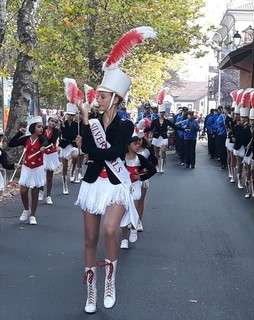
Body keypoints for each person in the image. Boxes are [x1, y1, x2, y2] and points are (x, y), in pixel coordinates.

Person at [74, 25, 157, 314]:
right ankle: (91, 291)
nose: (96, 98)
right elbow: (87, 150)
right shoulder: (91, 121)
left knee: (111, 230)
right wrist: (86, 121)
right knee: (89, 238)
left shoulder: (125, 126)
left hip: (115, 184)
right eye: (97, 95)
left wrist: (90, 137)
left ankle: (110, 282)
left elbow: (108, 152)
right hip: (92, 183)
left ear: (116, 99)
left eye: (102, 95)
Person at [8, 116, 49, 225]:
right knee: (23, 191)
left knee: (35, 193)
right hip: (27, 167)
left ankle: (33, 215)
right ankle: (26, 209)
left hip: (38, 168)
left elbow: (45, 142)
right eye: (38, 127)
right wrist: (19, 133)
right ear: (32, 127)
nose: (41, 129)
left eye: (42, 127)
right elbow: (11, 144)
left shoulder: (41, 139)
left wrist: (43, 147)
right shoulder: (26, 139)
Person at [120, 134, 157, 249]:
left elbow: (153, 169)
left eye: (138, 144)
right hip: (124, 187)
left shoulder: (139, 158)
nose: (137, 146)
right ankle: (124, 239)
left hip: (135, 186)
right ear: (128, 145)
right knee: (124, 211)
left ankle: (134, 226)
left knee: (134, 208)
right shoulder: (121, 157)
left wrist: (141, 177)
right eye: (135, 144)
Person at [145, 96, 184, 173]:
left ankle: (162, 167)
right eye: (160, 113)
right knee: (156, 153)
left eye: (163, 113)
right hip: (156, 137)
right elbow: (151, 128)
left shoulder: (167, 121)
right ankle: (157, 166)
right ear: (158, 113)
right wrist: (144, 129)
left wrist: (183, 129)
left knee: (163, 151)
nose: (161, 114)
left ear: (164, 113)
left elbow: (174, 127)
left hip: (164, 137)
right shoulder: (155, 121)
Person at [38, 114, 60, 204]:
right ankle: (41, 191)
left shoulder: (57, 132)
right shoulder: (42, 129)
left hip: (51, 154)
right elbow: (40, 138)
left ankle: (48, 196)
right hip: (43, 153)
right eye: (52, 121)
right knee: (40, 173)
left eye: (55, 122)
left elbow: (51, 140)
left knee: (50, 176)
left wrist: (44, 142)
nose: (53, 123)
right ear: (48, 121)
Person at [59, 103, 79, 194]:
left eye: (72, 115)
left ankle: (73, 169)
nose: (70, 116)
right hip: (65, 144)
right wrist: (62, 127)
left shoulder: (76, 125)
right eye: (69, 115)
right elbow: (64, 134)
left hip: (73, 144)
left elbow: (75, 134)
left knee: (75, 156)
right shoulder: (63, 124)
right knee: (64, 166)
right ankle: (64, 184)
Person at [0, 129, 20, 196]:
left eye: (1, 136)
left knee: (0, 191)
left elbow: (5, 164)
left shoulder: (2, 153)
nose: (0, 138)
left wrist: (13, 166)